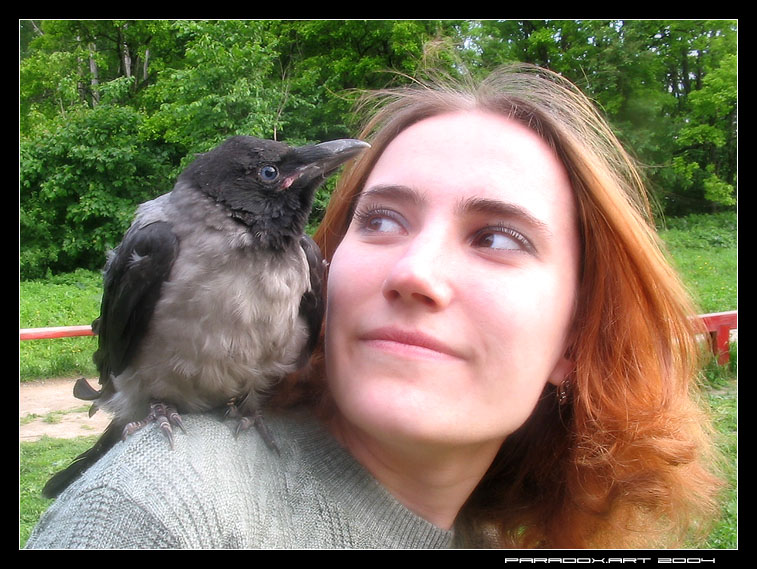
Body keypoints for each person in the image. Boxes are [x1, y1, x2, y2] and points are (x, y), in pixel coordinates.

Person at [25, 64, 722, 549]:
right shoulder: (153, 516)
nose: (415, 272)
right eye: (381, 221)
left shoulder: (479, 531)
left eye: (497, 237)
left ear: (573, 340)